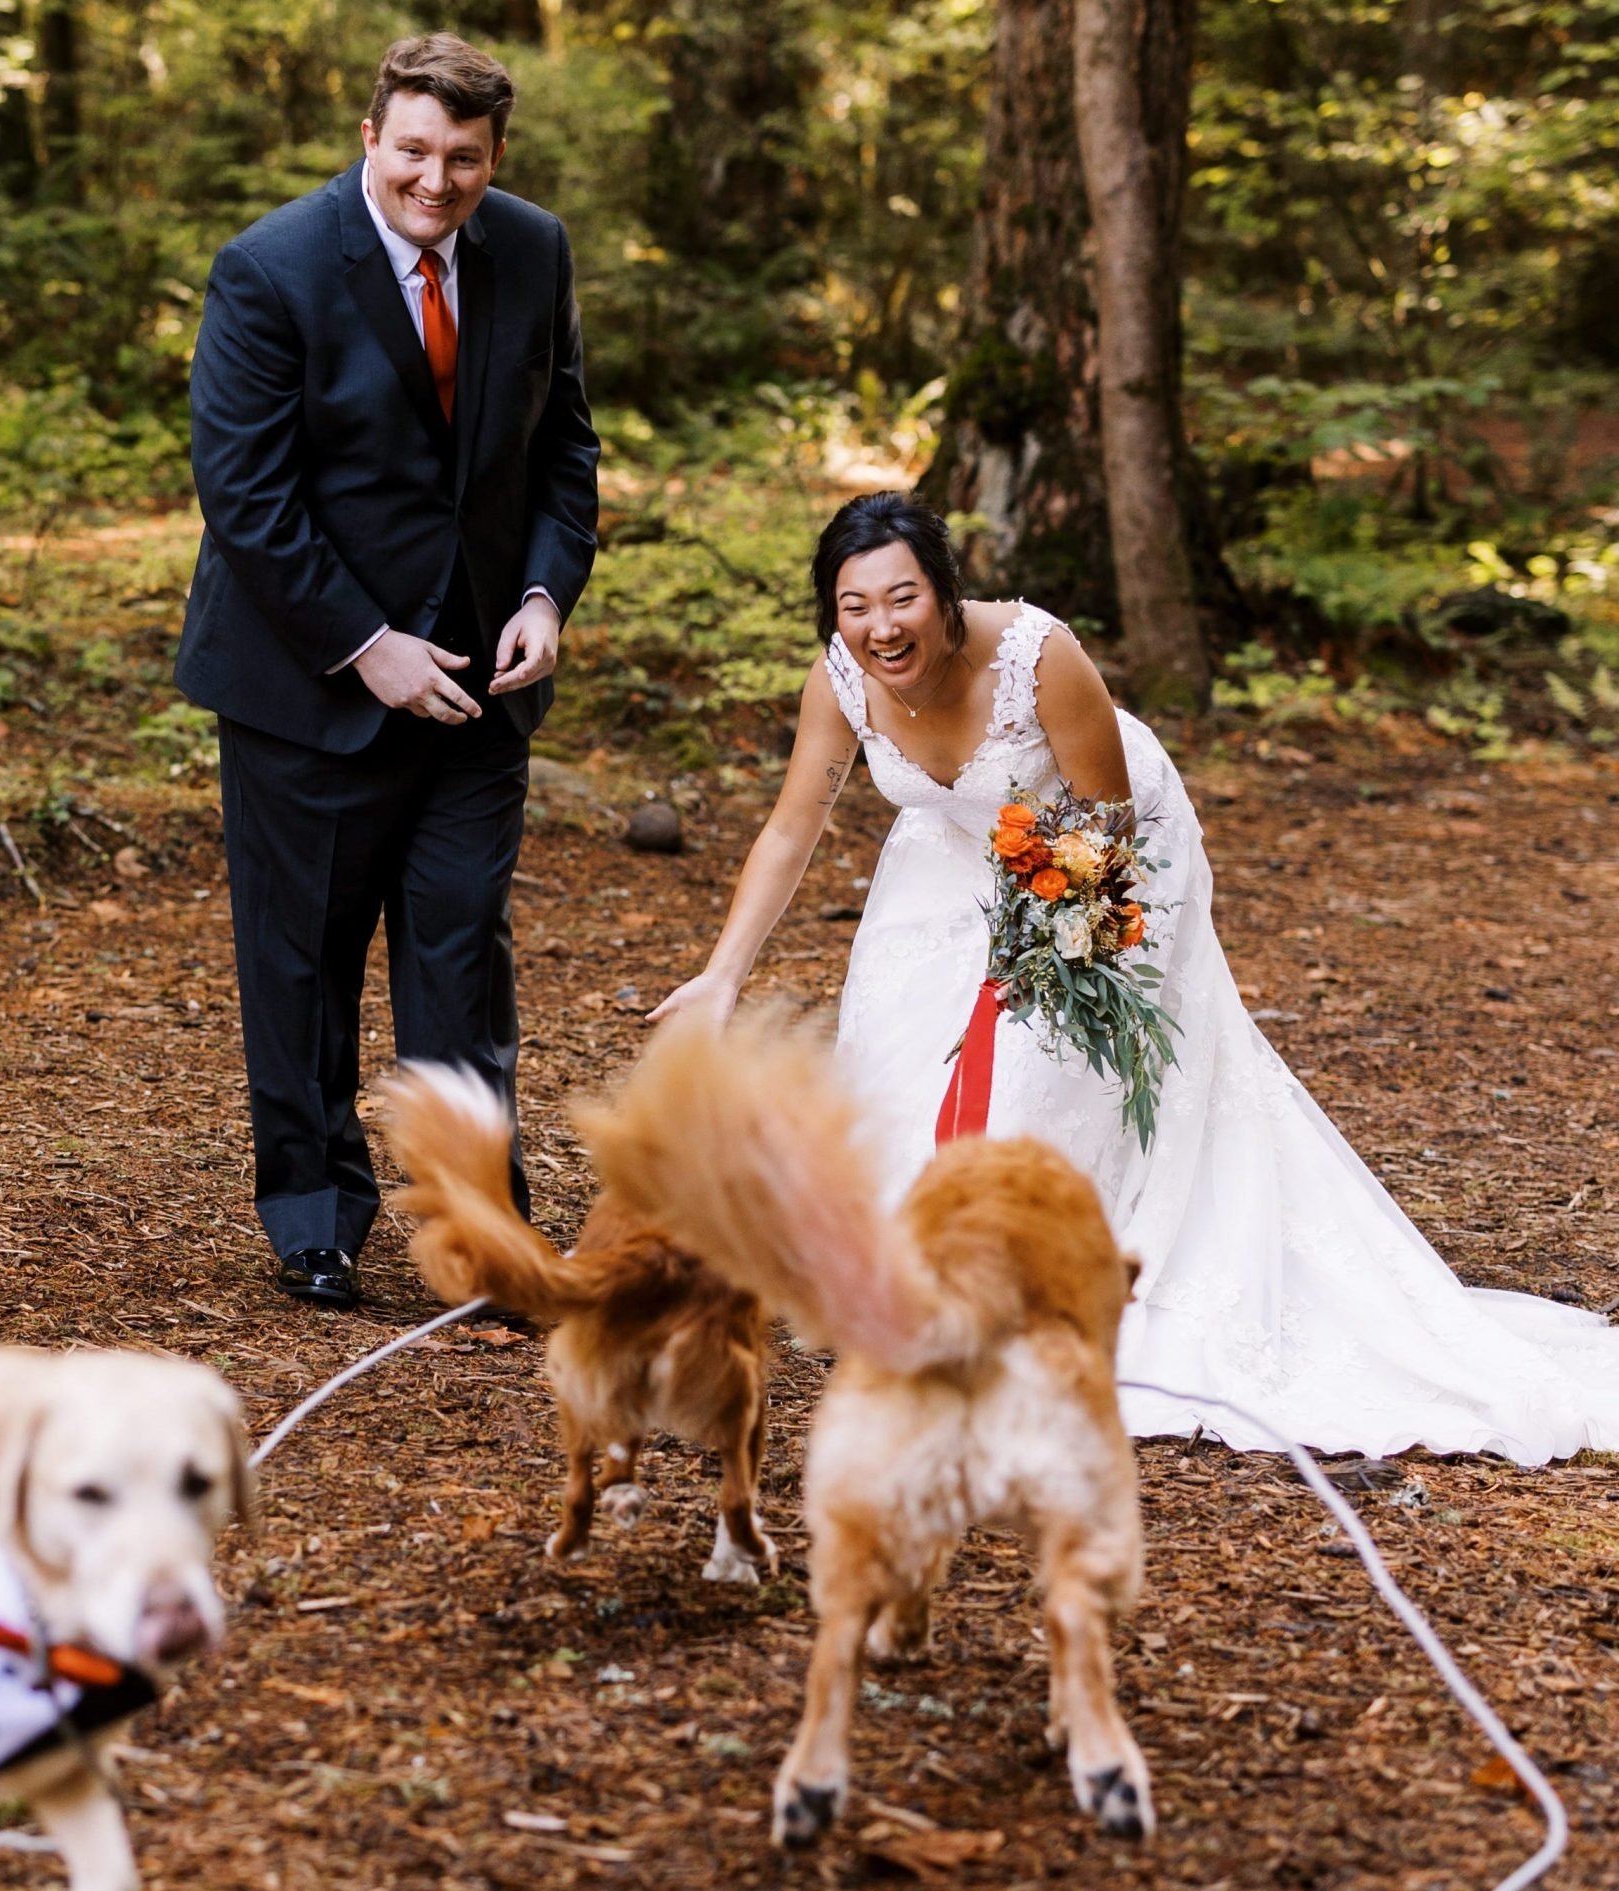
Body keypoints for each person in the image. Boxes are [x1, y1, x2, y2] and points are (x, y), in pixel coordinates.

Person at [652, 491, 1619, 1462]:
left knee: (1041, 1066)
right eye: (852, 606)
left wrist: (1043, 941)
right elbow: (790, 827)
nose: (878, 627)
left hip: (1100, 850)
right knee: (901, 1064)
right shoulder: (843, 680)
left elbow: (1107, 824)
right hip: (950, 863)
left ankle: (1067, 1282)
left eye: (900, 599)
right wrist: (722, 975)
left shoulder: (1038, 655)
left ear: (944, 593)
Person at [178, 34, 600, 1309]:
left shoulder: (532, 250)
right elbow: (246, 498)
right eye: (413, 150)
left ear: (494, 158)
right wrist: (367, 647)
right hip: (309, 688)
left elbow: (564, 448)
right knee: (302, 960)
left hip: (480, 685)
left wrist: (543, 594)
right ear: (372, 138)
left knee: (460, 957)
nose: (436, 180)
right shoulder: (270, 269)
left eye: (462, 159)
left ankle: (479, 1233)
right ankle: (316, 1216)